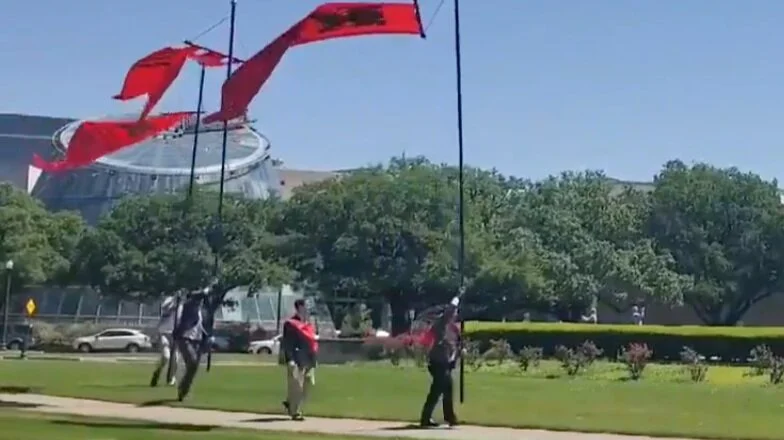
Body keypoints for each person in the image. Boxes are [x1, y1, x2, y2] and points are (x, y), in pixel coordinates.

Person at [419, 297, 461, 428]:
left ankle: (448, 417)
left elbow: (455, 345)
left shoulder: (451, 328)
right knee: (439, 389)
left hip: (445, 362)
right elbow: (448, 312)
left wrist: (454, 357)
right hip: (437, 362)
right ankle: (432, 417)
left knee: (445, 388)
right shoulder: (440, 324)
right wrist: (456, 299)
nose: (454, 314)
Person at [281, 299, 318, 421]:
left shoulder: (309, 324)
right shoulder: (290, 323)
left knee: (309, 383)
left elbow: (312, 342)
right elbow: (288, 343)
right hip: (296, 358)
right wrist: (290, 359)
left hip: (309, 358)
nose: (309, 308)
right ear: (300, 307)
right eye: (307, 306)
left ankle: (290, 402)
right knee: (297, 385)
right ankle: (295, 411)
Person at [172, 290, 208, 402]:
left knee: (193, 367)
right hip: (185, 338)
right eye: (199, 300)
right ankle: (183, 388)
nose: (200, 302)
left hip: (197, 340)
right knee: (192, 362)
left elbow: (201, 324)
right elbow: (197, 296)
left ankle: (184, 389)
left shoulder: (201, 310)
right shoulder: (188, 306)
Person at [150, 295, 182, 387]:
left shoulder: (183, 306)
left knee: (175, 359)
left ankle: (171, 378)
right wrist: (175, 301)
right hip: (164, 332)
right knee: (166, 357)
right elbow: (164, 307)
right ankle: (157, 372)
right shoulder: (170, 300)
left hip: (175, 335)